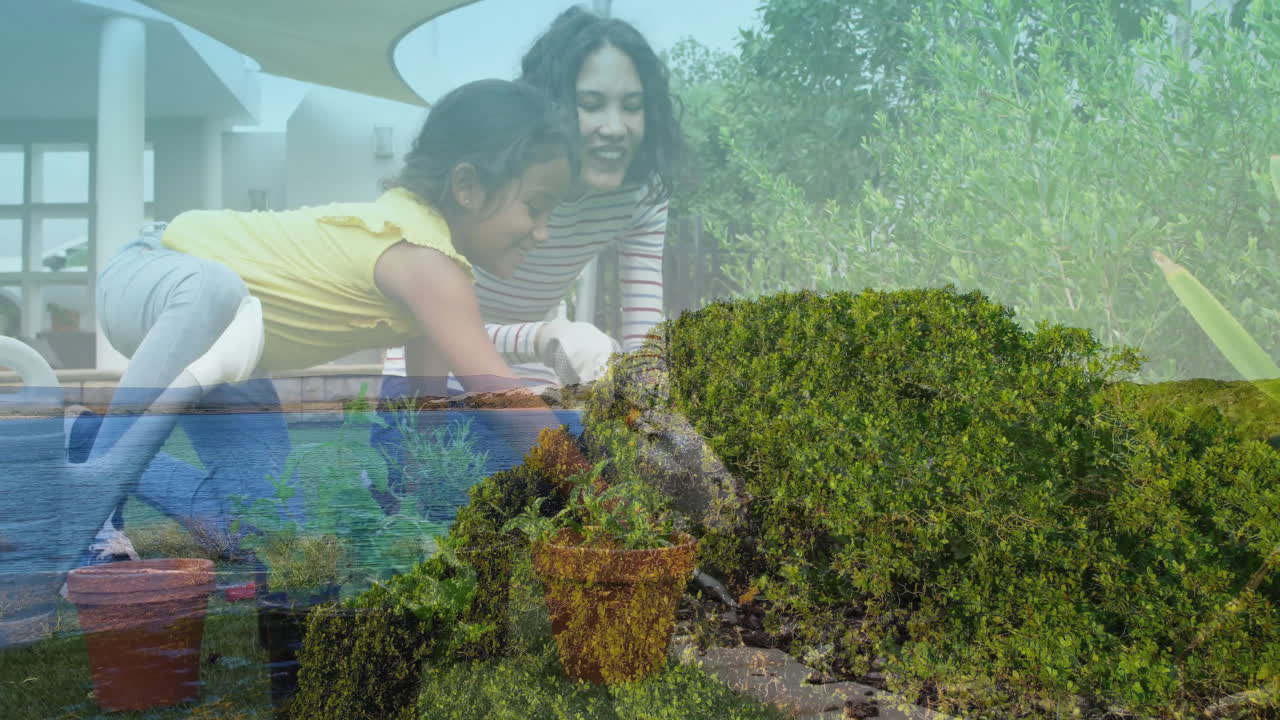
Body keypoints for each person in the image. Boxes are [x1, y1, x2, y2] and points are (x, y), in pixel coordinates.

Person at [48, 79, 577, 574]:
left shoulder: (432, 264)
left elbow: (425, 411)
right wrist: (588, 476)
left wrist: (409, 510)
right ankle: (94, 510)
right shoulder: (426, 259)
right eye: (535, 208)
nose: (544, 232)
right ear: (467, 186)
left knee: (264, 530)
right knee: (216, 290)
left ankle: (83, 437)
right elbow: (495, 392)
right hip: (156, 272)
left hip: (229, 350)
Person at [375, 6, 684, 489]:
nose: (615, 126)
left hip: (537, 384)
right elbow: (434, 327)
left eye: (631, 105)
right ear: (551, 108)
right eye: (592, 103)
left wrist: (657, 424)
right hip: (429, 378)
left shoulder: (641, 195)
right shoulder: (498, 184)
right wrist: (547, 337)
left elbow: (645, 343)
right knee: (447, 524)